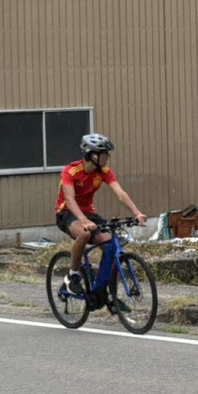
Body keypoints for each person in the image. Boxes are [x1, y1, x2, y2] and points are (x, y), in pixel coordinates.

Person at [55, 133, 145, 311]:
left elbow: (120, 193)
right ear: (93, 155)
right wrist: (83, 220)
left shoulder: (104, 172)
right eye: (105, 153)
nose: (108, 157)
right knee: (84, 233)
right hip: (67, 212)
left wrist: (137, 213)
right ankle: (73, 276)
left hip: (89, 213)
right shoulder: (71, 171)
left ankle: (108, 296)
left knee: (112, 247)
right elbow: (70, 199)